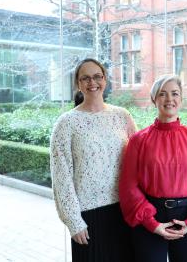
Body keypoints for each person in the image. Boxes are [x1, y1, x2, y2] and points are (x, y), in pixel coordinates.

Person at [119, 74, 187, 262]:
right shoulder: (138, 140)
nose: (169, 99)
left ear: (181, 99)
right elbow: (128, 185)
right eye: (163, 94)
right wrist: (152, 224)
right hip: (149, 216)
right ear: (154, 99)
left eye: (175, 93)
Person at [50, 58, 137, 262]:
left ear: (105, 80)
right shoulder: (66, 124)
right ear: (78, 84)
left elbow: (138, 162)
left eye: (97, 76)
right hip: (87, 217)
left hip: (125, 211)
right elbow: (61, 177)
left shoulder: (123, 116)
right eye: (86, 78)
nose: (92, 82)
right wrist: (73, 221)